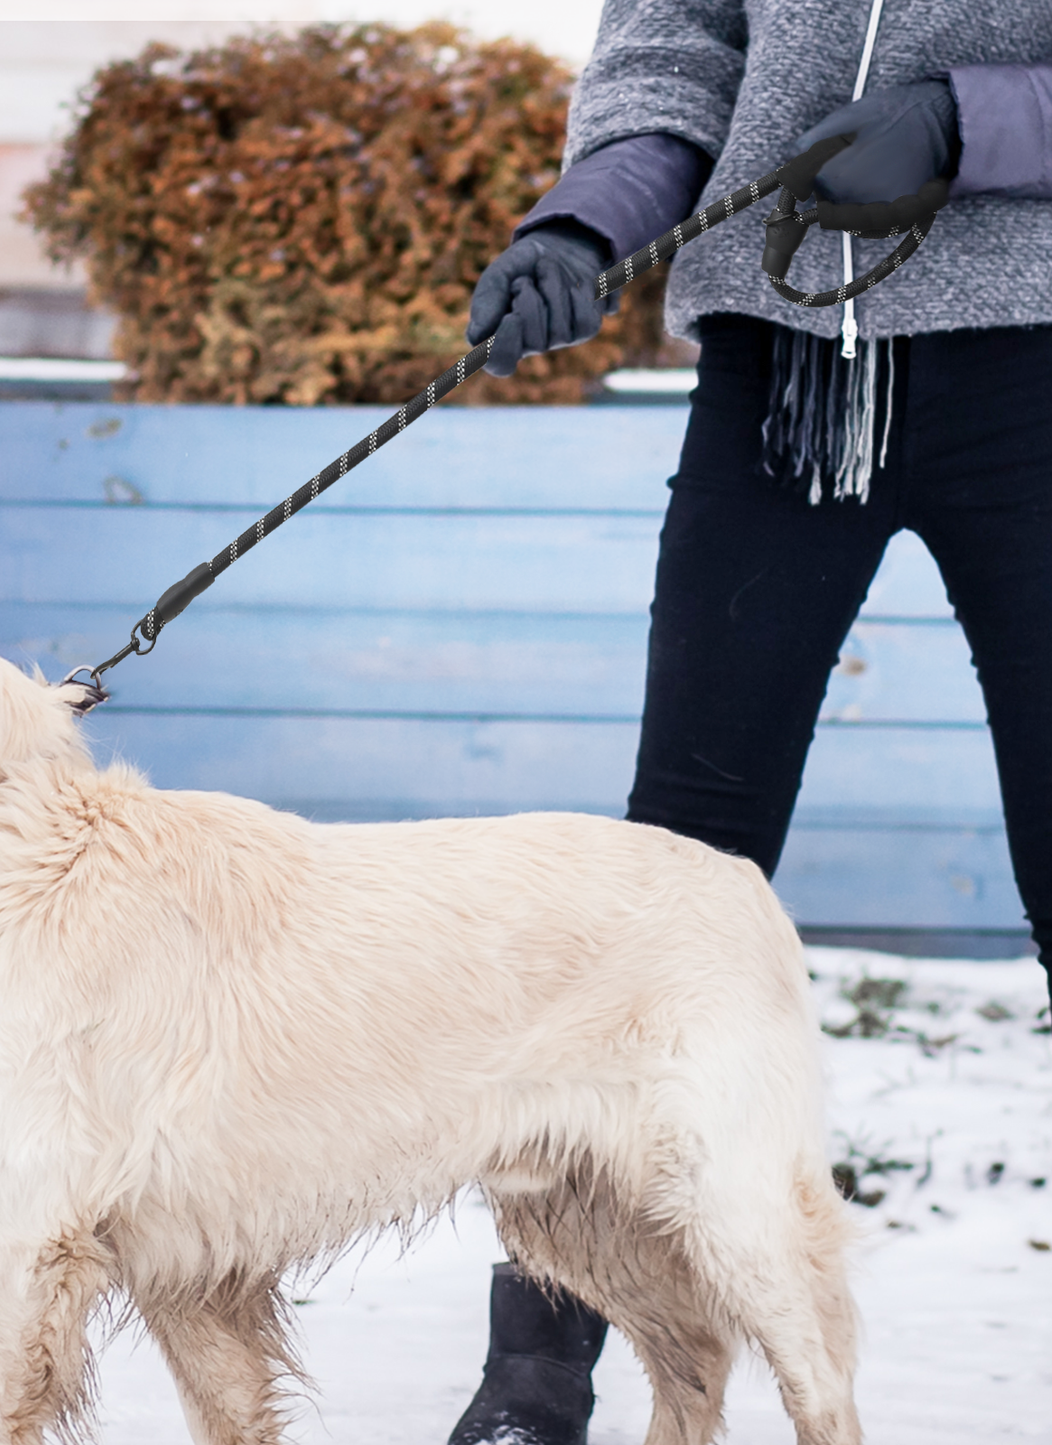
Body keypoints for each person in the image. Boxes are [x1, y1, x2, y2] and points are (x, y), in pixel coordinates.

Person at [449, 2, 1052, 1442]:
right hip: (779, 370)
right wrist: (587, 225)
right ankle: (535, 1375)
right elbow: (676, 49)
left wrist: (971, 123)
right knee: (660, 899)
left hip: (1036, 370)